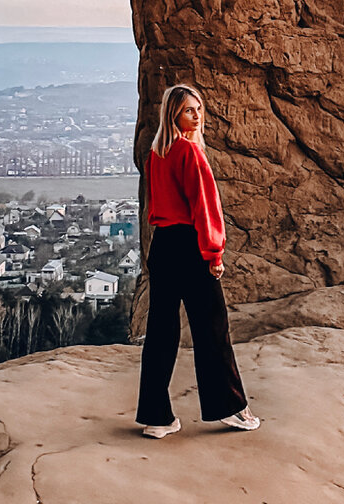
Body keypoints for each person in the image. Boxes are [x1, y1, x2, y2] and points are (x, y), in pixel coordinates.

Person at [135, 83, 260, 438]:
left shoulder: (156, 155)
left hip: (162, 247)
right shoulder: (189, 153)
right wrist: (214, 254)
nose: (197, 115)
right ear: (173, 113)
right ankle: (232, 408)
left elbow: (154, 207)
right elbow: (205, 209)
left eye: (199, 108)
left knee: (161, 331)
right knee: (212, 329)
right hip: (190, 247)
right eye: (189, 109)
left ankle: (155, 417)